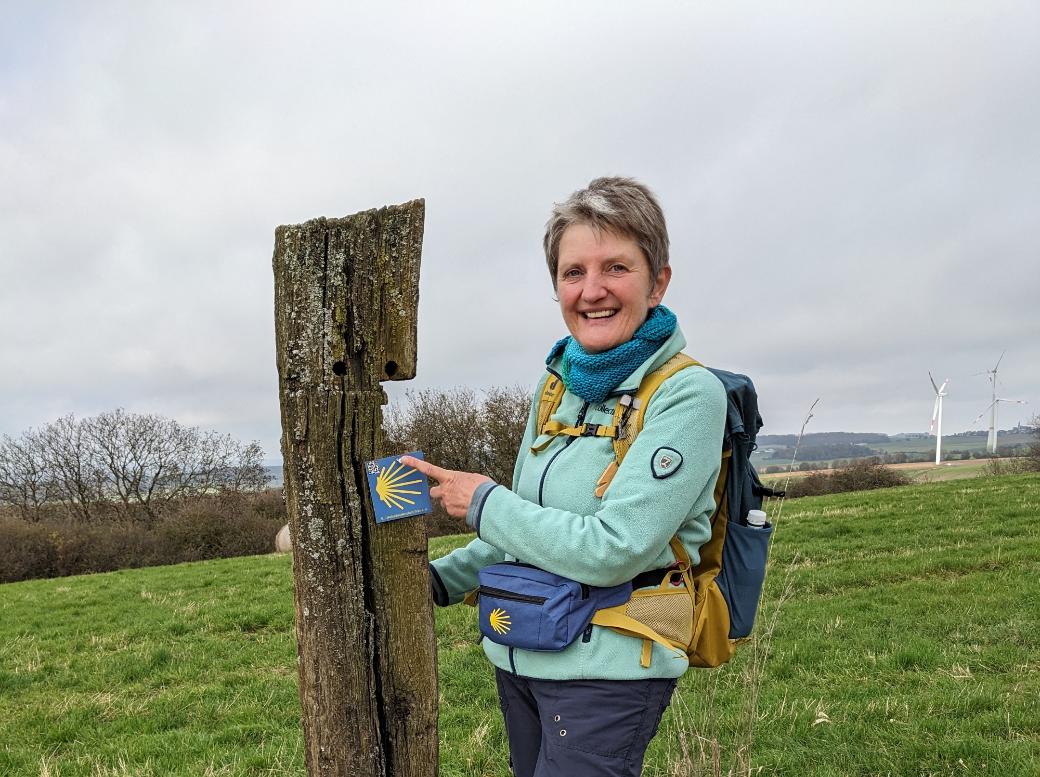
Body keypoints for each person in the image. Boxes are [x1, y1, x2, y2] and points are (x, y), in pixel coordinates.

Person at [401, 176, 727, 777]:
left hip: (608, 670)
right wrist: (436, 583)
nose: (592, 290)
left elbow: (616, 549)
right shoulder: (556, 388)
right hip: (521, 648)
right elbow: (522, 528)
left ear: (658, 281)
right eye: (573, 272)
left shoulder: (688, 396)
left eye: (616, 268)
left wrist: (481, 501)